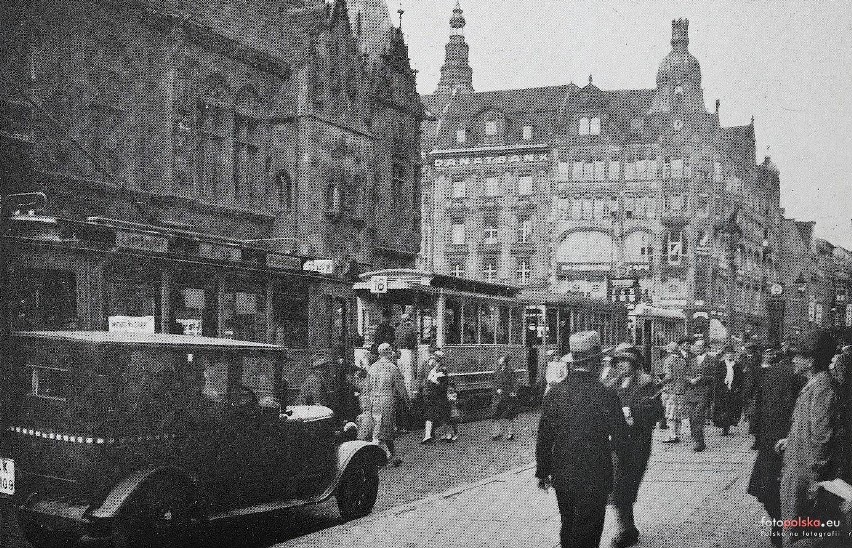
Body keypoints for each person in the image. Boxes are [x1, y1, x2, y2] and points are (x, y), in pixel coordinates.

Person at [536, 330, 628, 548]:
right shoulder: (606, 395)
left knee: (568, 524)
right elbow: (621, 439)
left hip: (562, 472)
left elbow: (544, 437)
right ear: (596, 361)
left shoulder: (555, 394)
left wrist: (542, 471)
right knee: (589, 529)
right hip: (596, 473)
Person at [777, 329, 839, 547]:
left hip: (804, 471)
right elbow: (809, 426)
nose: (793, 360)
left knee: (796, 531)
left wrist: (815, 479)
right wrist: (791, 440)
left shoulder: (821, 387)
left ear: (811, 361)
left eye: (798, 356)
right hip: (798, 462)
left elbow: (822, 436)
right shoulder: (815, 384)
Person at [609, 344, 663, 548]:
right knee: (618, 487)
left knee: (623, 486)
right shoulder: (614, 383)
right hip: (616, 443)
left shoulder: (645, 383)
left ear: (634, 363)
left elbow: (654, 411)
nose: (621, 365)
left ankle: (627, 530)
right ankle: (627, 528)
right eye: (618, 361)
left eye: (625, 361)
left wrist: (629, 412)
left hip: (636, 444)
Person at [747, 346, 801, 547]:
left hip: (769, 441)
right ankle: (784, 528)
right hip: (788, 440)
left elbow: (758, 406)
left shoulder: (770, 372)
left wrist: (758, 436)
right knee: (787, 488)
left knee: (768, 488)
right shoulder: (801, 378)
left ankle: (777, 526)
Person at [366, 343, 409, 466]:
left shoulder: (372, 367)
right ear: (389, 353)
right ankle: (379, 457)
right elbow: (401, 388)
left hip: (374, 401)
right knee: (385, 431)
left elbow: (367, 388)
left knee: (379, 429)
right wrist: (407, 402)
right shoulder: (392, 368)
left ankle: (392, 456)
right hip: (387, 401)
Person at [683, 338, 715, 452]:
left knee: (698, 416)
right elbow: (684, 374)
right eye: (696, 346)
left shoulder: (711, 360)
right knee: (692, 417)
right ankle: (695, 437)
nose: (698, 348)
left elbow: (714, 377)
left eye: (700, 346)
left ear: (705, 348)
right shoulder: (690, 360)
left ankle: (699, 442)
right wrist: (690, 380)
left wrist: (702, 378)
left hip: (703, 392)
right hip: (691, 392)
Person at [660, 338, 689, 443]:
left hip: (671, 390)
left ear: (669, 350)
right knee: (678, 415)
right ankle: (677, 434)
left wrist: (661, 382)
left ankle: (672, 435)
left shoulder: (668, 360)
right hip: (681, 390)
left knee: (670, 415)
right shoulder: (683, 361)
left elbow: (669, 376)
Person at [712, 344, 744, 436]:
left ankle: (728, 426)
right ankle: (724, 427)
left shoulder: (737, 365)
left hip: (733, 390)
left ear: (734, 355)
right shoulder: (721, 365)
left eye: (731, 354)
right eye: (728, 353)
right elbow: (717, 378)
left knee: (731, 408)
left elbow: (740, 378)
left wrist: (738, 388)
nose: (730, 355)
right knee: (723, 408)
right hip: (722, 390)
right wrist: (721, 385)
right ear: (725, 355)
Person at [422, 354, 451, 443]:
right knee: (441, 415)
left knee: (433, 415)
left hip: (436, 395)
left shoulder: (438, 370)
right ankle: (446, 434)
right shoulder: (440, 369)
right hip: (438, 396)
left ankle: (430, 435)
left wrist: (434, 382)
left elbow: (434, 382)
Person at [491, 355, 519, 440]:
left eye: (501, 360)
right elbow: (494, 382)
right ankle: (497, 433)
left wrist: (514, 392)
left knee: (509, 415)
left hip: (508, 396)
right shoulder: (497, 371)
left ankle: (510, 434)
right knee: (496, 415)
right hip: (499, 396)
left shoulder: (510, 371)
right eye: (499, 360)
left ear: (504, 362)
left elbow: (515, 383)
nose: (499, 361)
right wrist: (496, 389)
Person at [395, 313, 418, 399]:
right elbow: (414, 341)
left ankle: (401, 396)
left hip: (399, 352)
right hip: (407, 352)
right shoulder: (410, 328)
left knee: (400, 374)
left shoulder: (397, 329)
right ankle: (409, 396)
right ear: (408, 320)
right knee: (408, 375)